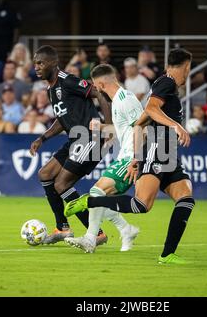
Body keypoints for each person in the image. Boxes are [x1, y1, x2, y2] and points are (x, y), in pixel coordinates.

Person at [65, 48, 196, 265]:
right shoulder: (167, 82)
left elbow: (140, 122)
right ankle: (92, 203)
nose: (188, 73)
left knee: (186, 200)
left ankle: (167, 254)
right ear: (185, 66)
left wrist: (135, 157)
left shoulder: (153, 90)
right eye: (188, 69)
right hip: (157, 148)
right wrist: (175, 127)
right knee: (141, 205)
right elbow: (150, 112)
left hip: (166, 151)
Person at [29, 45, 112, 245]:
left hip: (89, 137)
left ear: (53, 63)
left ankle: (97, 233)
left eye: (40, 63)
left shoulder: (68, 81)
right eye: (35, 64)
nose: (37, 68)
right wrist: (43, 138)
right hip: (76, 138)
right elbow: (62, 118)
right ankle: (62, 228)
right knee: (45, 174)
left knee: (61, 184)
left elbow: (100, 93)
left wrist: (108, 126)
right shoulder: (51, 88)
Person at [64, 64, 142, 253]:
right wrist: (103, 129)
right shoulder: (117, 101)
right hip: (126, 156)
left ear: (99, 84)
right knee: (100, 198)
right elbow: (124, 130)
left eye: (95, 86)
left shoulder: (125, 99)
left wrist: (137, 160)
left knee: (96, 192)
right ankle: (126, 229)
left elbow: (142, 128)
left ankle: (91, 239)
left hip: (130, 158)